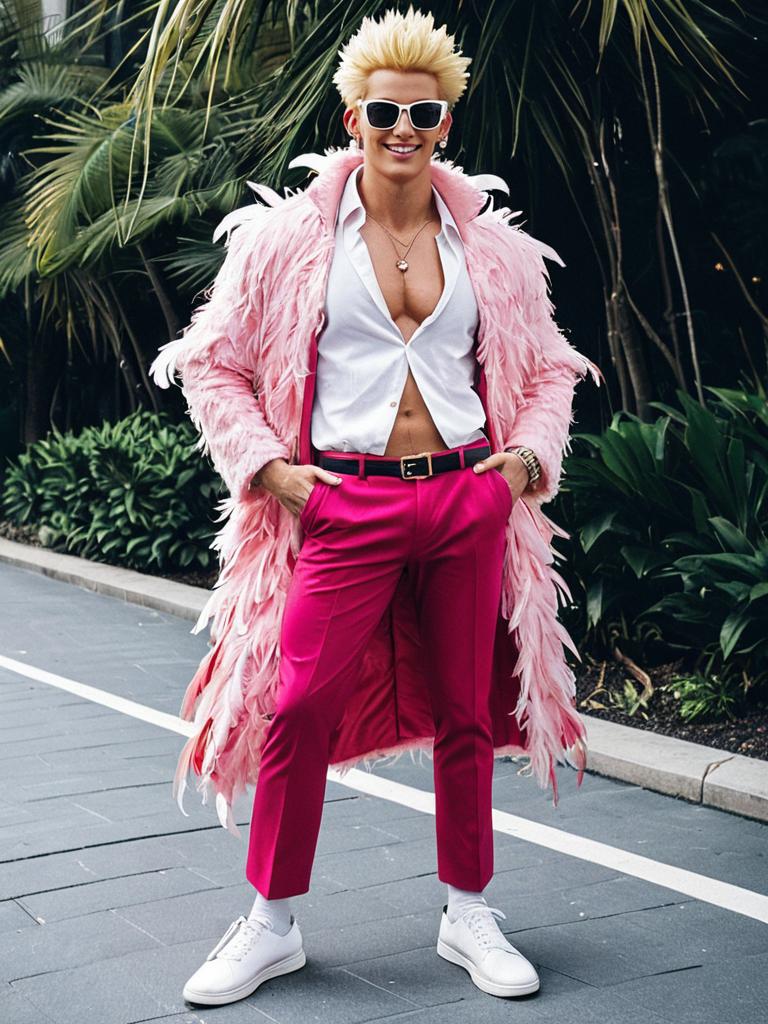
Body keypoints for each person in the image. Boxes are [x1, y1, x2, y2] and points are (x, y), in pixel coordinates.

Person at [150, 4, 601, 1010]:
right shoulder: (284, 243)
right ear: (352, 116)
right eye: (385, 109)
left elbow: (549, 372)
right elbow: (213, 363)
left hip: (464, 495)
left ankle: (468, 909)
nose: (404, 127)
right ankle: (271, 919)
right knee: (299, 701)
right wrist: (269, 469)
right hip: (342, 502)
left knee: (465, 709)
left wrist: (528, 461)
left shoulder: (497, 255)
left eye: (425, 111)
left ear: (447, 124)